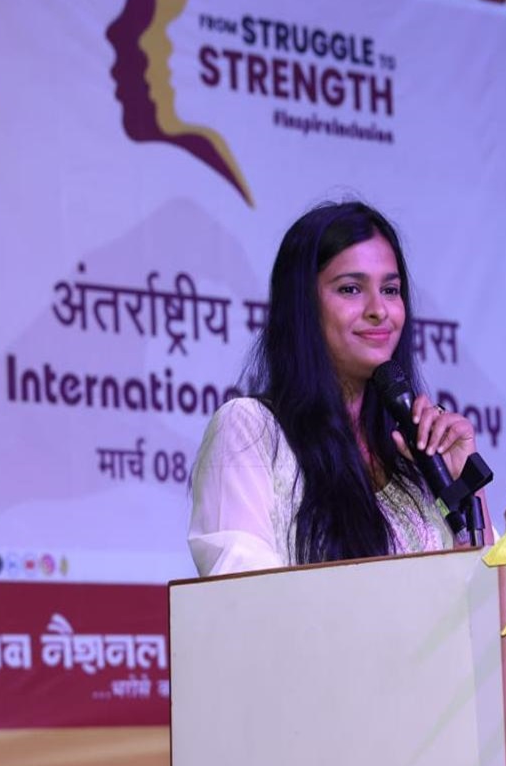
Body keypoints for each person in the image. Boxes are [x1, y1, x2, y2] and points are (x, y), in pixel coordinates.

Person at [188, 200, 481, 576]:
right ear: (304, 307)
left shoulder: (416, 454)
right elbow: (242, 598)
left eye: (391, 290)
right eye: (350, 289)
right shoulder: (250, 429)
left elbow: (485, 605)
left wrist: (462, 485)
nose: (379, 309)